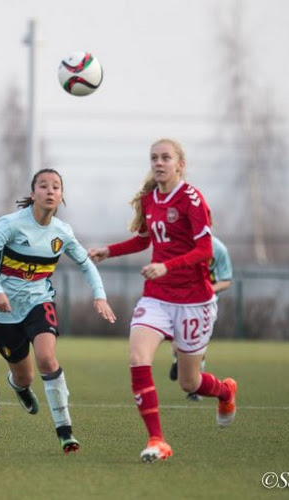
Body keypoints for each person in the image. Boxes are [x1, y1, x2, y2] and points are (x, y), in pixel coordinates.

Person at [89, 138, 237, 464]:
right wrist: (108, 251)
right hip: (156, 296)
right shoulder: (149, 199)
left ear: (180, 164)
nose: (158, 162)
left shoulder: (192, 200)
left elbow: (205, 250)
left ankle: (226, 392)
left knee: (190, 381)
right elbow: (145, 239)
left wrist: (166, 265)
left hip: (194, 300)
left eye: (165, 157)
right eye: (154, 157)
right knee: (137, 357)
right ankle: (157, 439)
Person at [0, 168, 116, 454]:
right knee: (24, 377)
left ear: (61, 196)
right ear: (32, 193)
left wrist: (100, 296)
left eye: (56, 187)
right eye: (43, 186)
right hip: (4, 313)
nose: (50, 191)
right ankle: (20, 387)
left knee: (47, 359)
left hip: (39, 303)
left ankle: (65, 430)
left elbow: (86, 263)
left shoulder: (61, 232)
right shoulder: (10, 225)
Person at [169, 233, 233, 401]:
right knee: (176, 341)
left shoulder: (218, 250)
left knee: (197, 345)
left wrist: (206, 290)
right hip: (181, 301)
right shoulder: (182, 244)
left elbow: (226, 280)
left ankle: (195, 390)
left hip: (204, 305)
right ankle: (178, 360)